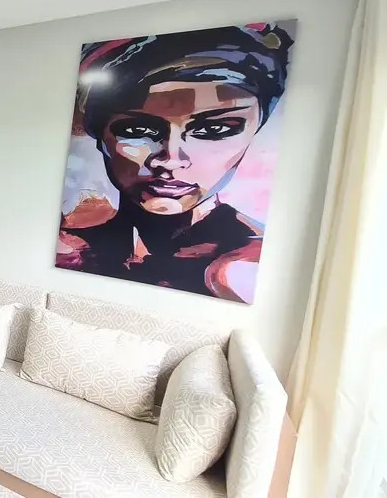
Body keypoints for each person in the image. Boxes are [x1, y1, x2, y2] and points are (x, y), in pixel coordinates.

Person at [56, 23, 294, 303]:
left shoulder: (242, 270)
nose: (171, 159)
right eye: (138, 130)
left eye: (214, 129)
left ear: (255, 130)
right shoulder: (70, 248)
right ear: (100, 134)